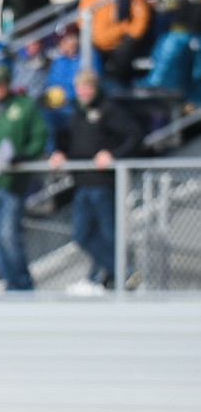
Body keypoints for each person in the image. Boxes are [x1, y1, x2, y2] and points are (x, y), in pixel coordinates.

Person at [49, 69, 142, 294]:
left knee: (110, 233)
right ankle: (119, 273)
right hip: (82, 183)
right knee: (82, 235)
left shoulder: (108, 109)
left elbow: (135, 135)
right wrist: (60, 153)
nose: (84, 91)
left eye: (88, 86)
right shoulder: (76, 113)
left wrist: (114, 155)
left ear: (96, 87)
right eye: (80, 86)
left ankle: (120, 274)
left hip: (103, 183)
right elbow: (71, 144)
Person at [0, 63, 48, 291]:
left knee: (8, 234)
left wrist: (25, 154)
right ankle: (10, 282)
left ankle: (23, 284)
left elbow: (40, 134)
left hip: (13, 181)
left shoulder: (24, 106)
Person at [78, 0, 151, 87]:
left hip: (122, 44)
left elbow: (142, 15)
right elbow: (82, 16)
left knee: (119, 72)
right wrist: (91, 36)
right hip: (98, 44)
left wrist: (132, 35)